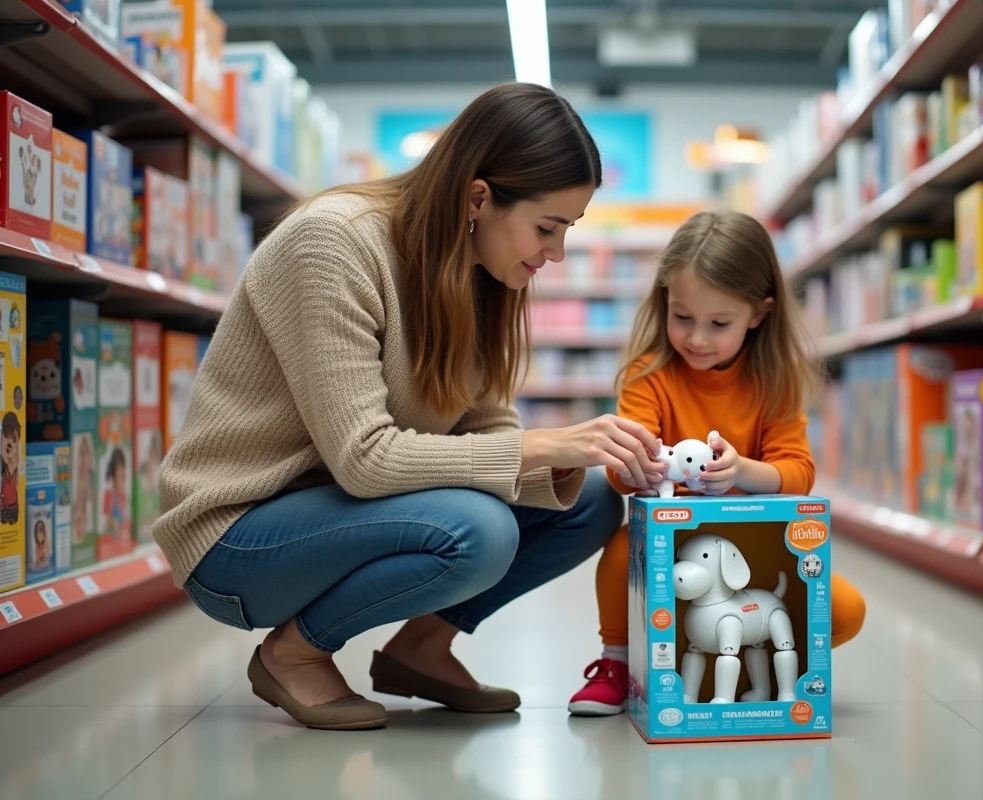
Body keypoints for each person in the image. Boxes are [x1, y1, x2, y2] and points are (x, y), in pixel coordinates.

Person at [153, 83, 667, 732]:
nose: (556, 253)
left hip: (347, 513)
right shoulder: (332, 244)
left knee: (587, 499)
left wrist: (576, 458)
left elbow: (483, 423)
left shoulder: (477, 269)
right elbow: (364, 461)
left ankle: (421, 648)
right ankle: (293, 653)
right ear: (478, 198)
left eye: (568, 229)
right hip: (239, 533)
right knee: (478, 529)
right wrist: (545, 445)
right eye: (546, 227)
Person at [567, 209, 867, 716]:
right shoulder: (650, 375)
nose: (697, 338)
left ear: (759, 313)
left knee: (844, 609)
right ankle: (617, 662)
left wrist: (744, 471)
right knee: (621, 553)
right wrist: (647, 464)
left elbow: (799, 472)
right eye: (683, 317)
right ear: (664, 300)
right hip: (670, 538)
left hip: (750, 550)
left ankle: (763, 663)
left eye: (718, 323)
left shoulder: (774, 380)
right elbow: (619, 474)